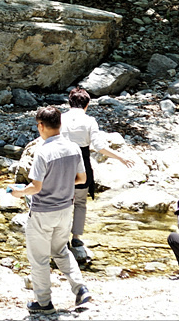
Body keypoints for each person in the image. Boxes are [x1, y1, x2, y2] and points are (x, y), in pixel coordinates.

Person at [11, 107, 91, 314]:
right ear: (60, 124)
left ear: (40, 126)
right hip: (65, 210)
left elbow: (36, 188)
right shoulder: (74, 148)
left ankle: (44, 303)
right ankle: (80, 288)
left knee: (39, 258)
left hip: (43, 213)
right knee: (61, 251)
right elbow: (82, 179)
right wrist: (62, 183)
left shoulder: (43, 152)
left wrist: (18, 192)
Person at [61, 87, 135, 248]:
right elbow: (100, 146)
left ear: (69, 103)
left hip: (62, 165)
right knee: (80, 202)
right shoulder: (89, 121)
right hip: (82, 164)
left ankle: (61, 238)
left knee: (63, 202)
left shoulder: (60, 118)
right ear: (87, 105)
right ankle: (76, 237)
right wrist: (120, 157)